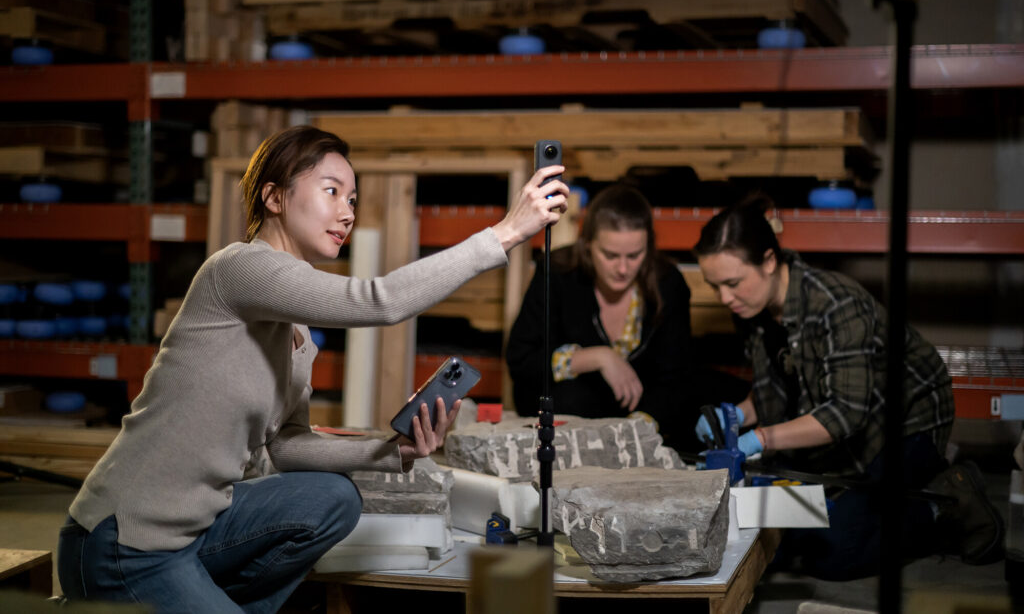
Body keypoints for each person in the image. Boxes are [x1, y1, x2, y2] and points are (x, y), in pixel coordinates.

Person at [57, 125, 568, 613]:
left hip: (195, 532)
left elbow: (287, 446)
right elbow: (380, 300)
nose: (346, 213)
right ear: (274, 198)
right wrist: (504, 233)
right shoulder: (238, 269)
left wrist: (390, 451)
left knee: (332, 498)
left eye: (351, 200)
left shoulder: (296, 337)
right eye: (331, 191)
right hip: (125, 541)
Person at [693, 195, 1004, 579]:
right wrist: (738, 414)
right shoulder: (752, 308)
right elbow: (779, 382)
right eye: (714, 286)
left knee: (836, 552)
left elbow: (844, 415)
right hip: (838, 420)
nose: (725, 298)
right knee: (783, 527)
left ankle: (943, 504)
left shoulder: (836, 304)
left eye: (732, 283)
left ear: (770, 261)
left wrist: (760, 437)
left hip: (906, 423)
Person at [507, 183, 720, 452]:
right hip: (571, 417)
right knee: (571, 397)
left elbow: (676, 375)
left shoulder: (668, 283)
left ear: (649, 247)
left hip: (642, 415)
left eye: (634, 256)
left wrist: (639, 428)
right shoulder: (557, 274)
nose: (622, 268)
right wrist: (596, 358)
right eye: (610, 255)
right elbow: (521, 361)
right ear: (587, 246)